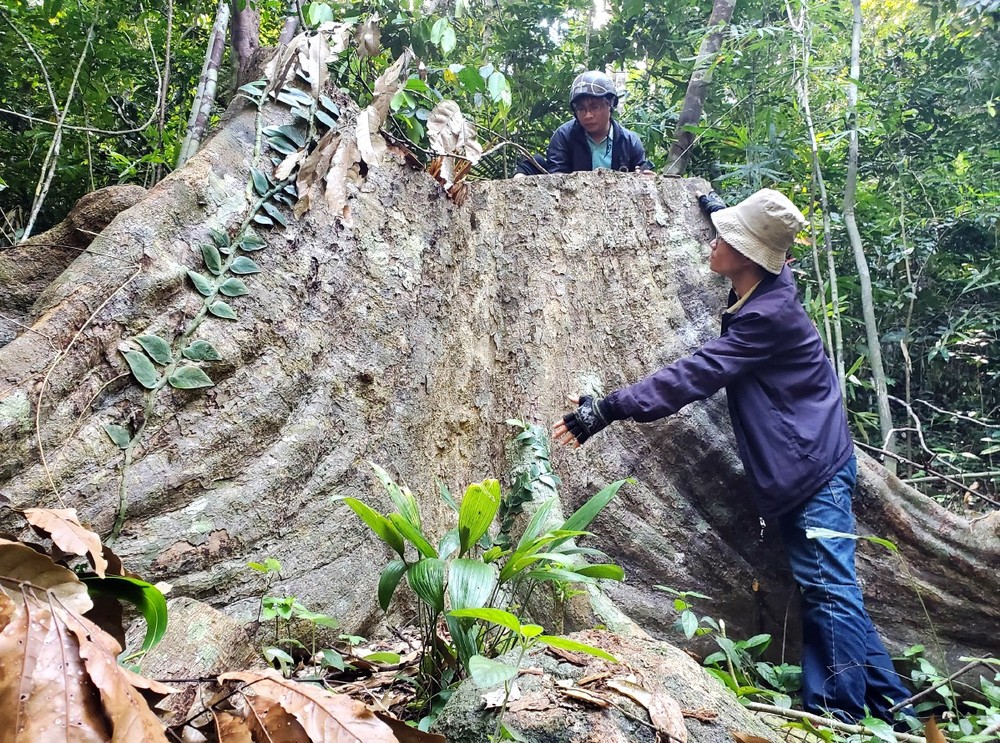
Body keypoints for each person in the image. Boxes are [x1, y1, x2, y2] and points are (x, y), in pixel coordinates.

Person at [552, 188, 913, 726]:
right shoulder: (764, 289)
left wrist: (607, 409)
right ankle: (890, 705)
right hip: (806, 462)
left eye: (725, 237)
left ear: (747, 257)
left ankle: (840, 716)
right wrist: (733, 216)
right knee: (827, 585)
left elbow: (696, 373)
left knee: (829, 589)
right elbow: (768, 258)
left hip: (812, 471)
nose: (712, 241)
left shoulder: (769, 316)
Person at [514, 70, 654, 177]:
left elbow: (640, 175)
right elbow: (557, 179)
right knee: (531, 164)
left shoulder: (630, 141)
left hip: (617, 209)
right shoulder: (563, 136)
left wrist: (645, 177)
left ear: (609, 105)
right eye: (581, 109)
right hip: (571, 207)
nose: (588, 115)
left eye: (594, 107)